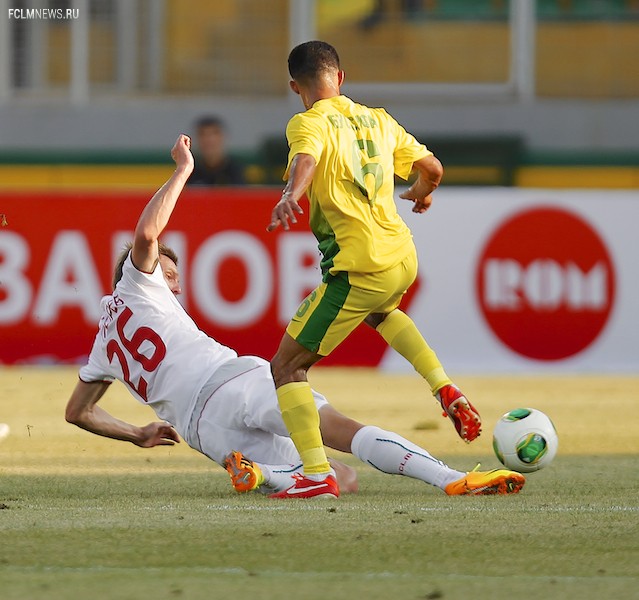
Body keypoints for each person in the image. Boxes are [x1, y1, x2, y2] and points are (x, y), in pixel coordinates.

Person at [65, 134, 525, 498]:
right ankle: (449, 478)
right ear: (139, 272)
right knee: (340, 430)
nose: (176, 284)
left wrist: (137, 433)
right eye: (169, 272)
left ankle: (262, 474)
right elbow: (147, 233)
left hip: (203, 431)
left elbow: (78, 412)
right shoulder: (135, 281)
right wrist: (184, 170)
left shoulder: (103, 346)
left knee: (340, 479)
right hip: (235, 380)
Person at [266, 41, 482, 499]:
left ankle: (316, 473)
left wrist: (292, 195)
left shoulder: (307, 122)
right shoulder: (378, 119)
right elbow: (432, 167)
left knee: (286, 368)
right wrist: (423, 193)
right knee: (382, 311)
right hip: (401, 256)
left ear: (294, 87)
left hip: (357, 266)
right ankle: (443, 387)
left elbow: (306, 160)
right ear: (340, 78)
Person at [186, 116, 245, 186]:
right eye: (203, 134)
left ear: (223, 137)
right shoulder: (188, 171)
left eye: (214, 134)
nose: (208, 140)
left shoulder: (238, 171)